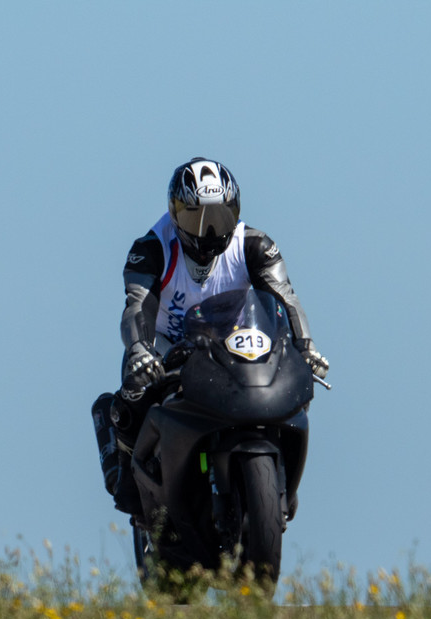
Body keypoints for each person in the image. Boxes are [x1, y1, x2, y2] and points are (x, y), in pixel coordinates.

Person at [92, 158, 328, 514]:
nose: (209, 230)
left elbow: (285, 298)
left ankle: (279, 480)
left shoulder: (257, 246)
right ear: (174, 213)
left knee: (293, 384)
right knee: (133, 396)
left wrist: (305, 347)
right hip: (166, 344)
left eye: (220, 216)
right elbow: (137, 306)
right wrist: (140, 349)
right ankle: (126, 465)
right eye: (196, 218)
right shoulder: (151, 249)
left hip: (233, 341)